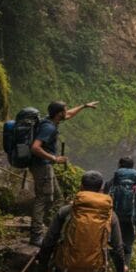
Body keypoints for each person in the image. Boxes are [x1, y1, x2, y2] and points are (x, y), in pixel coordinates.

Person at [36, 170, 126, 272]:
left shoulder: (66, 211)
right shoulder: (110, 215)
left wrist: (43, 269)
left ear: (81, 187)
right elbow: (118, 248)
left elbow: (48, 242)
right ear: (101, 189)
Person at [29, 100, 99, 246]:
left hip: (45, 166)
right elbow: (35, 147)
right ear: (59, 113)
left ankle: (52, 229)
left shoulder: (50, 120)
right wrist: (54, 158)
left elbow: (70, 114)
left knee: (58, 198)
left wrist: (84, 106)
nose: (67, 112)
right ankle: (36, 235)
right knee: (42, 198)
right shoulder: (49, 128)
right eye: (64, 110)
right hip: (41, 166)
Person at [103, 157, 136, 272]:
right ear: (133, 167)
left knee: (111, 246)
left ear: (119, 165)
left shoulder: (111, 182)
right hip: (131, 221)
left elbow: (103, 201)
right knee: (127, 249)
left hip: (113, 219)